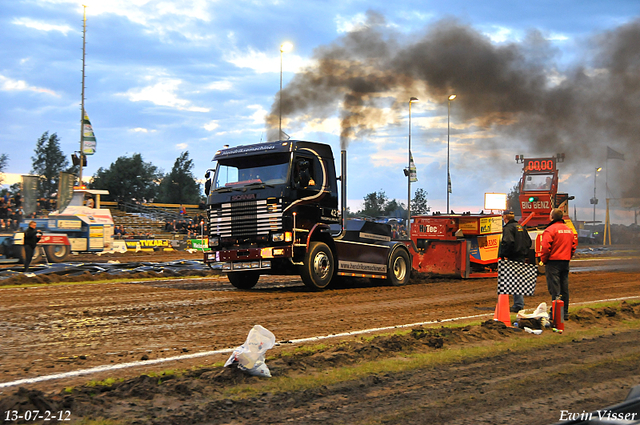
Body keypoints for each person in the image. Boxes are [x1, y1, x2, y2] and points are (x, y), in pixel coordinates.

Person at [541, 208, 578, 319]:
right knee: (564, 287)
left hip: (553, 262)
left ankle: (556, 313)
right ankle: (564, 312)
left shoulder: (550, 230)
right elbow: (573, 247)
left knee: (555, 289)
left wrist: (544, 260)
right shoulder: (569, 230)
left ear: (551, 217)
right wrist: (568, 257)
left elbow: (546, 247)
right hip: (565, 261)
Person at [498, 209, 532, 312]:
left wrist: (503, 254)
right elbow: (529, 242)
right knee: (518, 281)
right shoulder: (520, 226)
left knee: (510, 281)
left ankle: (516, 304)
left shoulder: (508, 228)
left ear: (505, 217)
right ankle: (518, 303)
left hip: (512, 257)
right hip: (521, 257)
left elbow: (508, 242)